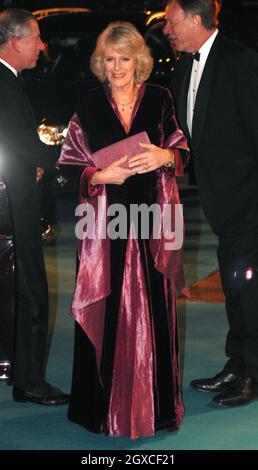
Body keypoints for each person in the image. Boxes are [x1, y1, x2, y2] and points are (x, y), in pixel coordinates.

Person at [59, 21, 189, 438]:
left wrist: (164, 158)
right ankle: (99, 409)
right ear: (102, 62)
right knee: (107, 307)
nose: (117, 67)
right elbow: (67, 167)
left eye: (125, 59)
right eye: (110, 59)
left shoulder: (160, 98)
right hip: (104, 225)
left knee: (154, 309)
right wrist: (98, 177)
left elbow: (181, 149)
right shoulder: (88, 103)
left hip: (151, 220)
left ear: (140, 61)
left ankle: (156, 408)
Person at [164, 0, 258, 408]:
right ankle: (236, 364)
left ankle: (251, 374)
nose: (166, 28)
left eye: (171, 21)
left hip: (250, 200)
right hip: (221, 203)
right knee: (235, 288)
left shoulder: (240, 61)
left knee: (250, 291)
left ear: (196, 19)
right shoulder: (184, 66)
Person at [0, 9, 69, 405]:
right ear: (15, 42)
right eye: (36, 38)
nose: (42, 46)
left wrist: (32, 162)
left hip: (14, 195)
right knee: (30, 293)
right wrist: (66, 155)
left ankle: (26, 377)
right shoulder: (5, 85)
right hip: (13, 205)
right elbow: (22, 145)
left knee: (26, 293)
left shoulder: (9, 82)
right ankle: (29, 381)